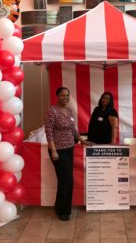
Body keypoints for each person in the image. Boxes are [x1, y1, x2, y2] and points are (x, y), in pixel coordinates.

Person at [44, 87, 91, 221]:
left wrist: (82, 140)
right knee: (67, 180)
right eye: (63, 95)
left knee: (65, 180)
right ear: (57, 96)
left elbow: (73, 129)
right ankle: (63, 211)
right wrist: (53, 150)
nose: (65, 98)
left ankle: (61, 207)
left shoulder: (69, 110)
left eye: (67, 96)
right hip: (58, 150)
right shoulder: (52, 111)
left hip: (70, 148)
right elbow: (49, 131)